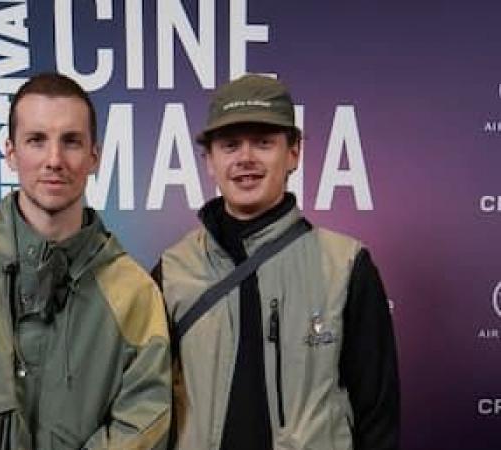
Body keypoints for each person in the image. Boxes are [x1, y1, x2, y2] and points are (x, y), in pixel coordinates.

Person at [0, 72, 171, 450]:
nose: (54, 160)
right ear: (11, 152)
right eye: (36, 140)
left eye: (71, 141)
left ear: (94, 156)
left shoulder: (134, 292)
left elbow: (144, 420)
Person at [153, 74, 399, 450]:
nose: (245, 158)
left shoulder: (347, 266)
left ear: (294, 152)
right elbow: (147, 408)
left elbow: (378, 416)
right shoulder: (172, 271)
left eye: (263, 142)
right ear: (209, 161)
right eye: (230, 145)